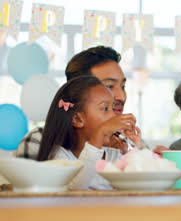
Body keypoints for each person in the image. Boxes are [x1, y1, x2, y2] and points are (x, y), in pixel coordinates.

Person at [15, 46, 147, 159]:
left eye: (123, 86)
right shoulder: (39, 142)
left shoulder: (131, 144)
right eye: (109, 86)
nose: (121, 96)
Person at [37, 75, 138, 190]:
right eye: (105, 109)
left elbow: (139, 186)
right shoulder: (61, 158)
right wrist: (99, 135)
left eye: (113, 108)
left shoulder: (114, 154)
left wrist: (132, 150)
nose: (113, 116)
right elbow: (75, 190)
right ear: (78, 119)